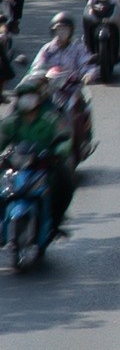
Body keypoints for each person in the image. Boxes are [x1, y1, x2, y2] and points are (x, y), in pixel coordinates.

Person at [0, 73, 76, 233]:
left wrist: (58, 152)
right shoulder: (13, 120)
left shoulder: (51, 117)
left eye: (30, 96)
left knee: (66, 184)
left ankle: (55, 223)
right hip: (18, 165)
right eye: (23, 96)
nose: (26, 100)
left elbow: (65, 138)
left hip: (45, 164)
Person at [33, 12, 98, 81]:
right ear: (54, 31)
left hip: (71, 86)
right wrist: (40, 75)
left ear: (71, 31)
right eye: (59, 29)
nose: (62, 32)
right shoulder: (47, 49)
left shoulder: (78, 49)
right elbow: (38, 65)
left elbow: (85, 64)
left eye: (65, 29)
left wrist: (88, 74)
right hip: (48, 85)